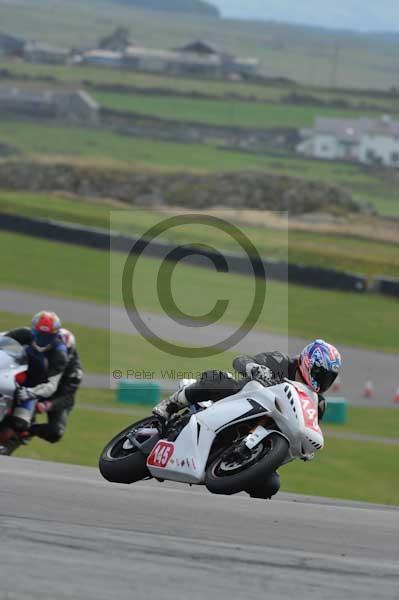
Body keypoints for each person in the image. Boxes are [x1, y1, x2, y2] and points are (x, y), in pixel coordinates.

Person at [153, 339, 342, 499]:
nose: (324, 381)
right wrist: (255, 368)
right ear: (308, 363)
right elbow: (240, 360)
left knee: (271, 485)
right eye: (320, 374)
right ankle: (171, 404)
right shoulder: (281, 362)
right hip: (235, 400)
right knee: (219, 380)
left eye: (328, 378)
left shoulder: (318, 404)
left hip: (268, 433)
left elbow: (306, 428)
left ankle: (235, 466)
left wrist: (306, 449)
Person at [5, 312, 81, 444]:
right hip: (37, 385)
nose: (42, 340)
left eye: (48, 337)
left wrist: (46, 405)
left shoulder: (71, 369)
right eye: (40, 335)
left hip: (56, 396)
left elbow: (67, 397)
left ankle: (27, 432)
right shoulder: (32, 340)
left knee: (55, 432)